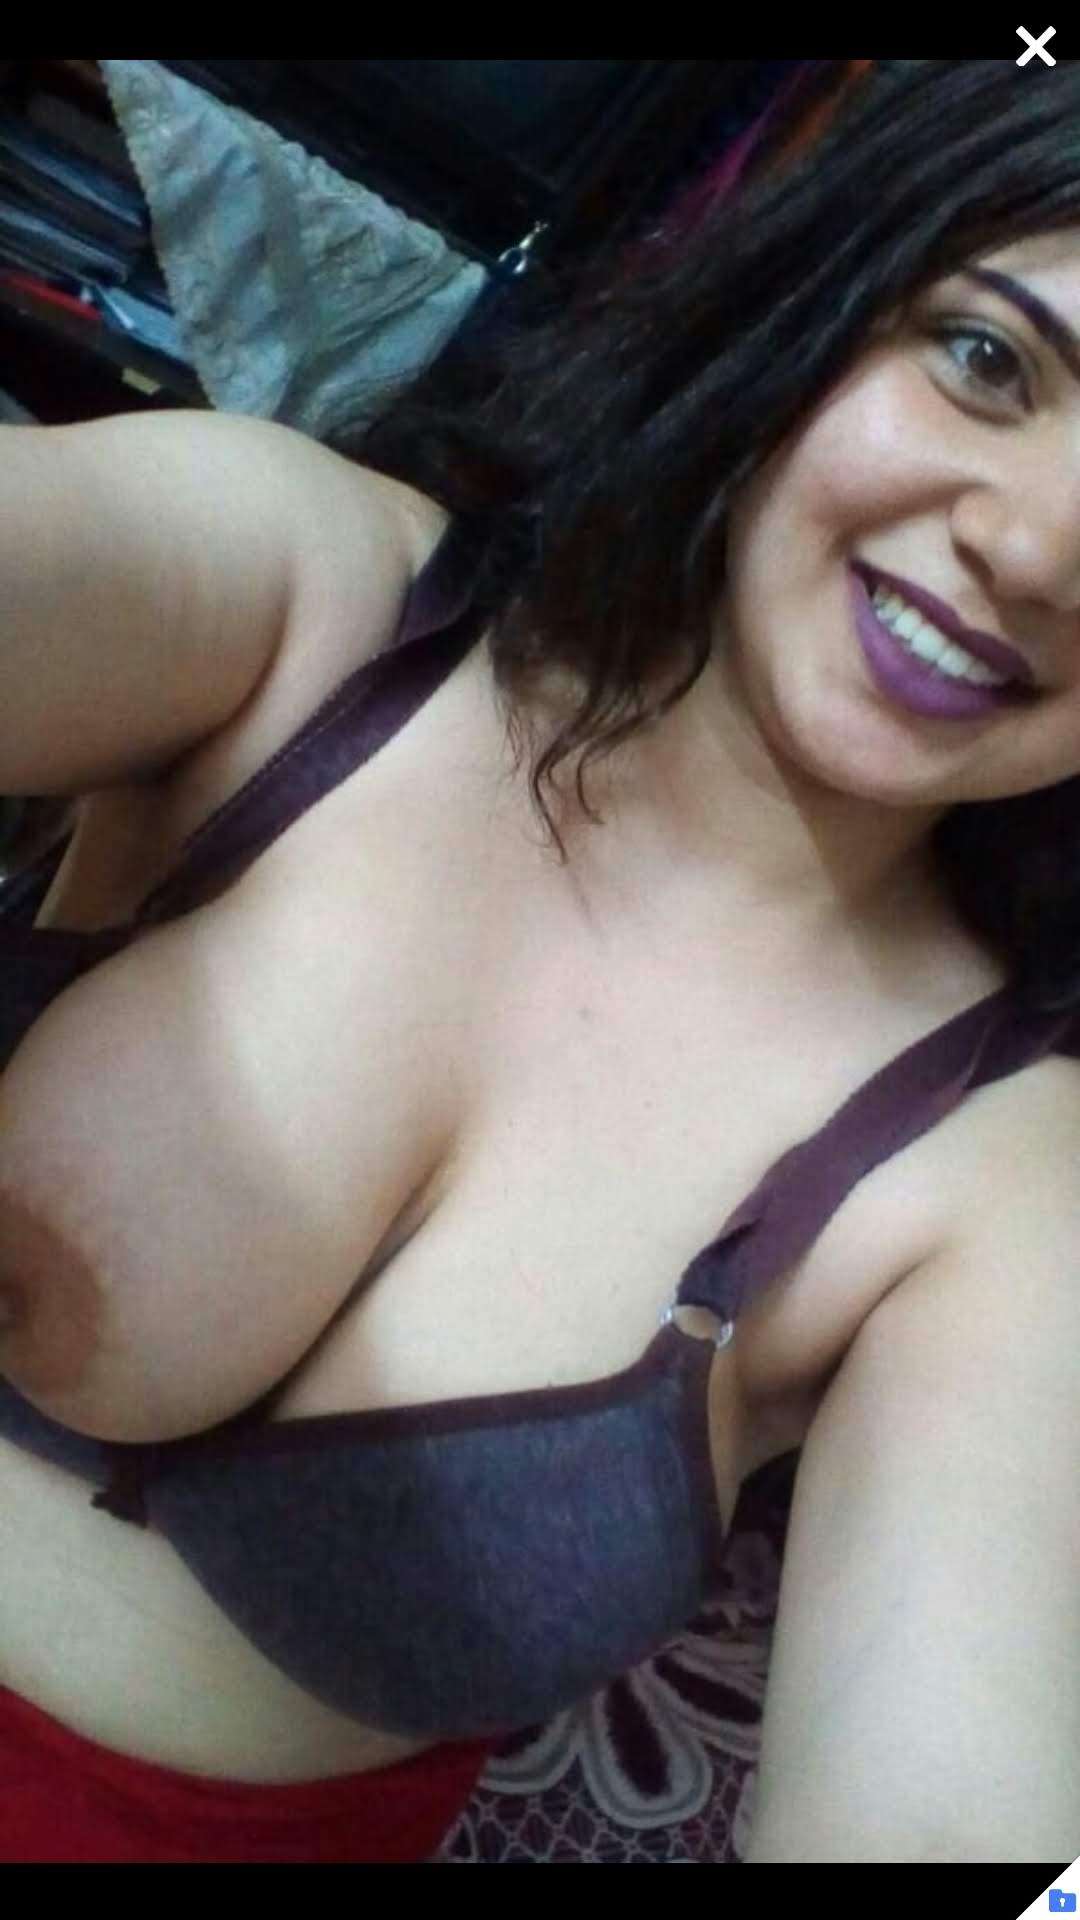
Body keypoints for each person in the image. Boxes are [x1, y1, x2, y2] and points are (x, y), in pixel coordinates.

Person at [1, 57, 1079, 1865]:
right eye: (986, 359)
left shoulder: (1004, 1173)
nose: (1037, 546)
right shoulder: (317, 606)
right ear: (822, 310)